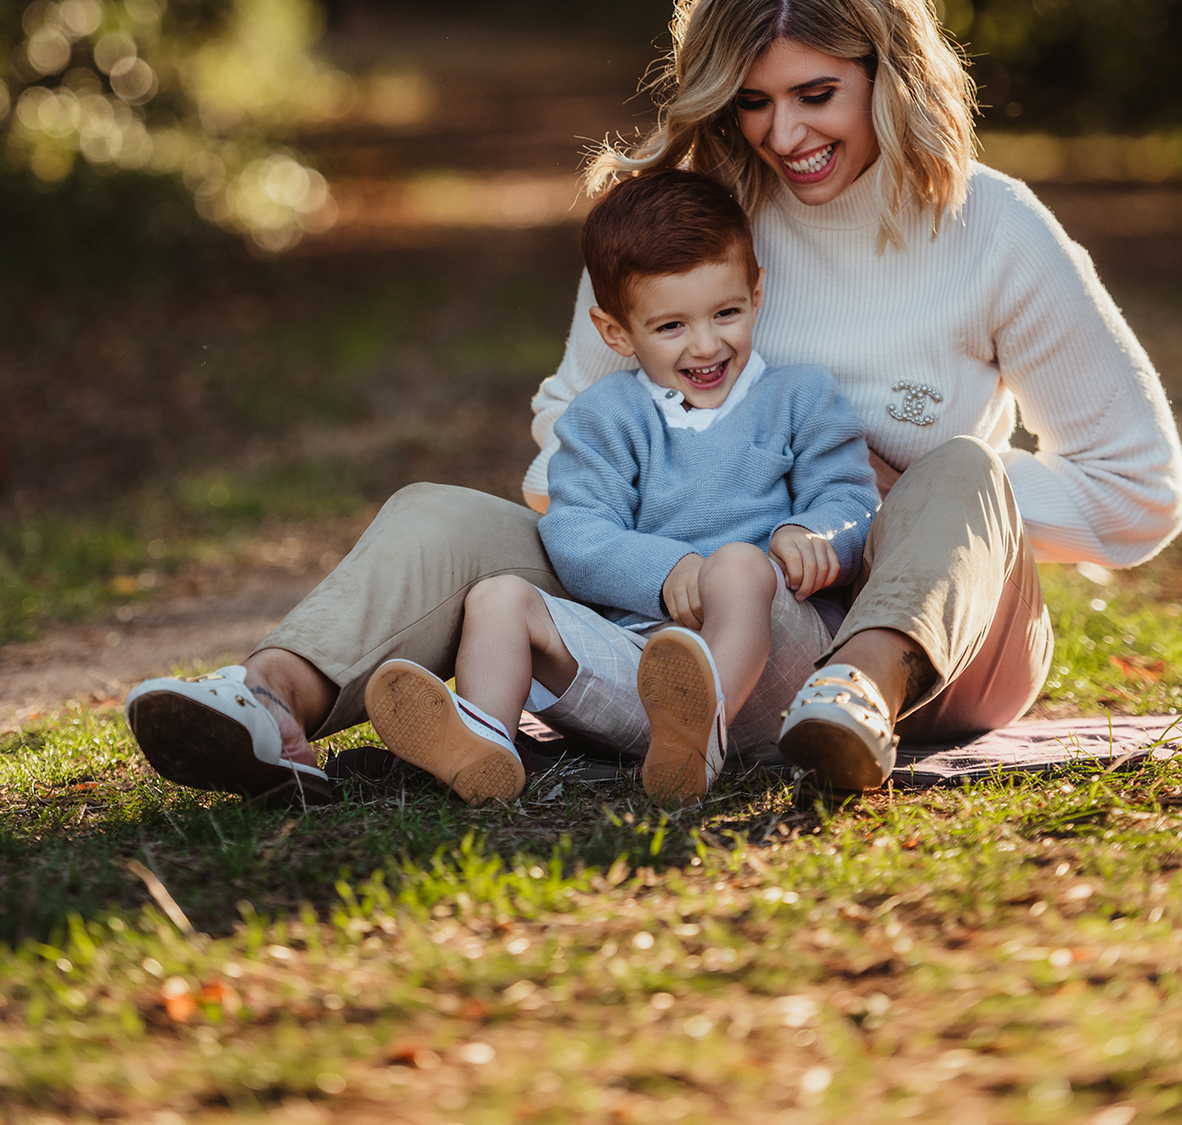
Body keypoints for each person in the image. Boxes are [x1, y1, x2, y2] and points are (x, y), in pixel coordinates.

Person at [125, 0, 1182, 799]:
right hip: (703, 610)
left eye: (818, 94)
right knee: (436, 512)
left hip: (933, 633)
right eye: (753, 101)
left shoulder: (991, 228)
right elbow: (562, 447)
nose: (783, 135)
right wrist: (674, 525)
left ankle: (856, 699)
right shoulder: (682, 231)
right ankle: (271, 702)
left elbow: (1142, 490)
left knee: (964, 464)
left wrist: (897, 496)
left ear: (890, 70)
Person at [363, 170, 877, 803]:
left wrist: (814, 534)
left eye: (726, 313)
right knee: (499, 596)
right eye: (671, 327)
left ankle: (704, 720)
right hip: (642, 675)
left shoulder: (801, 397)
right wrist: (669, 570)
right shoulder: (603, 417)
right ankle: (483, 741)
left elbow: (853, 500)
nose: (707, 344)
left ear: (756, 293)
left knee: (740, 564)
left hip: (781, 659)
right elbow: (577, 532)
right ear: (615, 332)